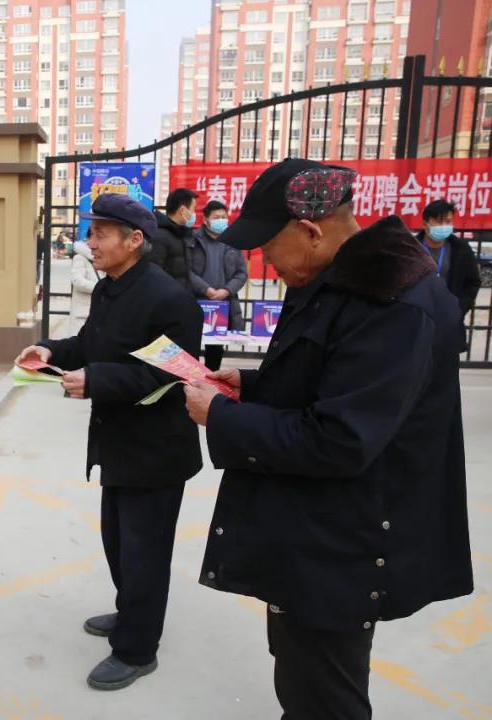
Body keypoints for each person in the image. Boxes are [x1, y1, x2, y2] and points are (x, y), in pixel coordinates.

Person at [183, 158, 474, 720]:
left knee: (326, 695)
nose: (266, 263)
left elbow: (340, 439)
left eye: (269, 247)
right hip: (310, 529)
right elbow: (327, 381)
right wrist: (252, 384)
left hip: (347, 543)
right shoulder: (330, 279)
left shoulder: (394, 303)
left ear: (310, 230)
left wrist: (219, 417)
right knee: (299, 676)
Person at [16, 193, 203, 692]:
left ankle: (138, 650)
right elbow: (89, 344)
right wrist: (48, 349)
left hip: (156, 450)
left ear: (134, 240)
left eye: (100, 234)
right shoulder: (110, 289)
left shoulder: (171, 301)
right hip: (117, 442)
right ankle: (131, 612)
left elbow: (167, 374)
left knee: (145, 554)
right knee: (119, 544)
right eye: (91, 232)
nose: (90, 242)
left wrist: (96, 380)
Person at [187, 200, 248, 370]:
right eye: (216, 217)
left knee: (215, 351)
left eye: (223, 217)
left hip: (223, 304)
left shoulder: (232, 240)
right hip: (197, 301)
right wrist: (205, 289)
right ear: (206, 220)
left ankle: (211, 380)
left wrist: (227, 290)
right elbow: (186, 270)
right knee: (190, 345)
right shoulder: (193, 240)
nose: (221, 220)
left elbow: (242, 273)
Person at [415, 199, 481, 349]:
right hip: (418, 319)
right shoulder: (412, 248)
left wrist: (459, 308)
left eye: (448, 221)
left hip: (449, 321)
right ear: (425, 223)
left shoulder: (461, 249)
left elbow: (473, 282)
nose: (444, 225)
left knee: (446, 362)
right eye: (439, 221)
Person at [148, 188, 197, 288]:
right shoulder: (160, 236)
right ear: (183, 210)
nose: (193, 214)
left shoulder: (180, 233)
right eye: (193, 209)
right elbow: (153, 275)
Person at [68, 235, 99, 336]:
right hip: (82, 312)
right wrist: (99, 287)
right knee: (80, 340)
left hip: (98, 311)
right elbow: (77, 281)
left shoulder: (101, 259)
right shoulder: (80, 258)